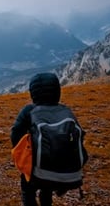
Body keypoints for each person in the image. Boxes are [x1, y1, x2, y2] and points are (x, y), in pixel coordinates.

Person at [10, 73, 86, 206]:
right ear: (57, 90)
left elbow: (15, 134)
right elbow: (80, 137)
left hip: (38, 171)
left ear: (33, 92)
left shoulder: (29, 110)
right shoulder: (65, 111)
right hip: (67, 171)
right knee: (47, 188)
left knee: (27, 187)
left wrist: (23, 157)